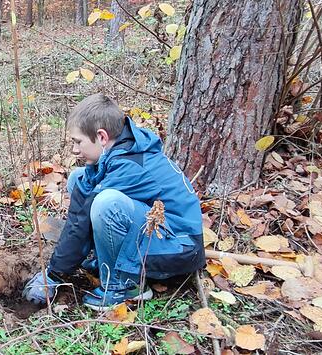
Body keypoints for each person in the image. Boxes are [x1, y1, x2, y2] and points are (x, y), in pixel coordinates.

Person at [22, 94, 205, 311]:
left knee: (107, 203)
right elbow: (82, 205)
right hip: (165, 238)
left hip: (179, 248)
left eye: (78, 141)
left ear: (101, 137)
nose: (74, 150)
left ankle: (125, 285)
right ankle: (106, 262)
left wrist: (53, 274)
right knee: (78, 178)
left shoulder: (131, 166)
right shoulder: (123, 150)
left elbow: (83, 219)